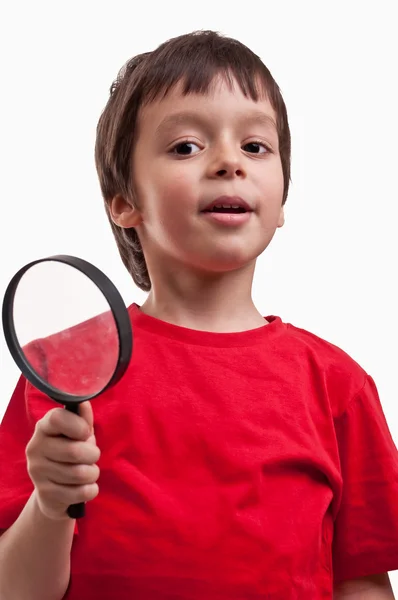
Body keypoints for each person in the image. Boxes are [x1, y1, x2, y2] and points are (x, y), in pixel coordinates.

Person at [0, 30, 397, 600]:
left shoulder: (339, 386)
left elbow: (361, 584)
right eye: (186, 146)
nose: (229, 162)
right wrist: (50, 502)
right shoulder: (63, 370)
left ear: (282, 199)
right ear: (124, 201)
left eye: (256, 147)